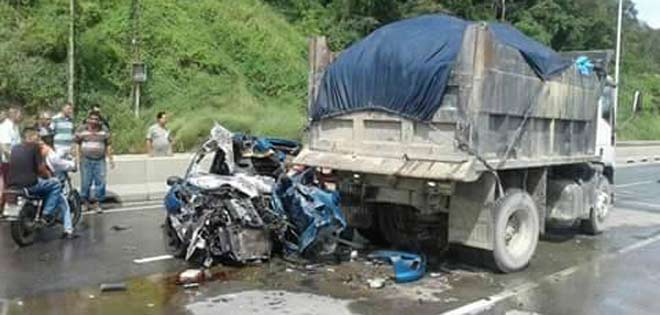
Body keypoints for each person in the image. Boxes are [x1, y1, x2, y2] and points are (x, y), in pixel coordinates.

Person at [6, 128, 76, 239]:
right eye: (37, 137)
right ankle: (46, 214)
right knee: (55, 185)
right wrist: (49, 177)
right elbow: (41, 168)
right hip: (29, 184)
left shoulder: (15, 148)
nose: (39, 140)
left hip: (12, 185)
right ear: (29, 138)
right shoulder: (35, 148)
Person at [75, 111, 114, 213]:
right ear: (87, 119)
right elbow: (77, 144)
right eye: (91, 119)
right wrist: (77, 157)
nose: (93, 121)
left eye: (96, 119)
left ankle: (97, 203)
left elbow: (108, 145)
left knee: (100, 182)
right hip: (86, 160)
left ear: (99, 121)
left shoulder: (104, 130)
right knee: (85, 182)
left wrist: (111, 159)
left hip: (100, 160)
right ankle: (85, 203)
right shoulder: (81, 129)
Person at [0, 107, 23, 206]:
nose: (21, 116)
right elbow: (5, 148)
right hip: (8, 162)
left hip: (15, 162)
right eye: (19, 114)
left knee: (12, 188)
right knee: (6, 187)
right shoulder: (5, 127)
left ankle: (10, 208)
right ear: (13, 114)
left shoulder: (15, 127)